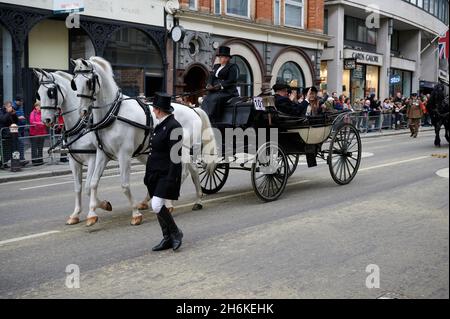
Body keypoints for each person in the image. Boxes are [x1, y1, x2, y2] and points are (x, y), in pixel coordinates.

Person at [144, 93, 184, 252]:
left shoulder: (175, 127)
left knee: (156, 204)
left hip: (166, 173)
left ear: (159, 110)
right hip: (154, 173)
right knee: (156, 206)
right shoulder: (160, 124)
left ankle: (176, 232)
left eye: (154, 109)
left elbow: (176, 157)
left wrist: (171, 179)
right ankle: (167, 238)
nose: (153, 111)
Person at [202, 46, 239, 122]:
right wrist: (209, 84)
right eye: (221, 57)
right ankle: (204, 116)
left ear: (228, 58)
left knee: (214, 99)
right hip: (216, 90)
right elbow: (211, 77)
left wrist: (220, 86)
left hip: (227, 91)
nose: (222, 59)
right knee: (206, 98)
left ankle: (213, 119)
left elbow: (231, 80)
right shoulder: (216, 66)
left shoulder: (232, 67)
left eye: (224, 57)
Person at [0, 101, 18, 169]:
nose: (11, 107)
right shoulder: (1, 111)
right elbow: (3, 120)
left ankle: (5, 163)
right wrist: (8, 112)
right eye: (9, 106)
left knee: (8, 151)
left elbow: (15, 121)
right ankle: (2, 163)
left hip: (10, 134)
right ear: (5, 106)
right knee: (3, 151)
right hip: (3, 134)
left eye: (11, 106)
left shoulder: (10, 113)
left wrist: (14, 114)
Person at [29, 101, 48, 166]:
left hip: (42, 133)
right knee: (34, 147)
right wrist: (40, 123)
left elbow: (45, 121)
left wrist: (43, 123)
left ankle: (40, 160)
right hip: (34, 133)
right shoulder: (32, 113)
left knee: (40, 147)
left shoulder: (43, 113)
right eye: (38, 106)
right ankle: (34, 161)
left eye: (40, 106)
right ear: (36, 107)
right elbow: (32, 122)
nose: (39, 107)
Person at [12, 95, 29, 166]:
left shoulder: (20, 106)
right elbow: (13, 117)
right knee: (20, 145)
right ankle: (20, 160)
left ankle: (19, 161)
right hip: (16, 129)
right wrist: (19, 118)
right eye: (21, 101)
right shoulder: (13, 107)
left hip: (21, 129)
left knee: (19, 145)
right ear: (17, 101)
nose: (22, 103)